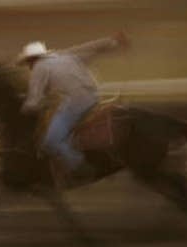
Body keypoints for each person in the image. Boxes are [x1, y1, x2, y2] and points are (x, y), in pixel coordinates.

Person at [18, 32, 130, 180]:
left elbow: (34, 102)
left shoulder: (39, 67)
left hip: (76, 102)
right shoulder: (66, 55)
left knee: (51, 140)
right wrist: (112, 41)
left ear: (31, 60)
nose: (28, 67)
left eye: (27, 63)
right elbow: (92, 46)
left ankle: (78, 165)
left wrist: (22, 109)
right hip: (94, 96)